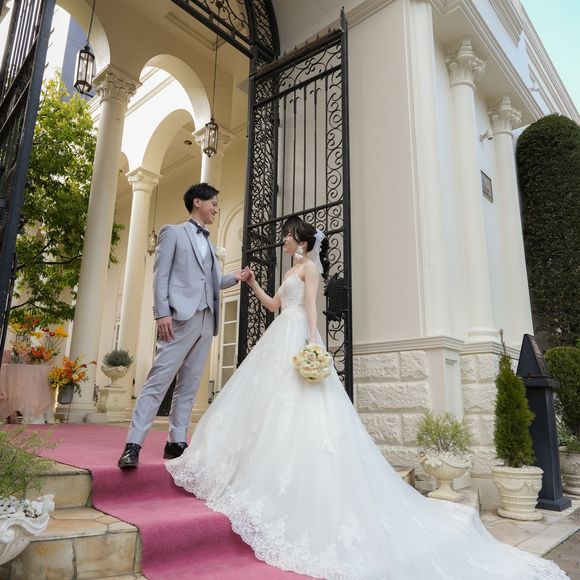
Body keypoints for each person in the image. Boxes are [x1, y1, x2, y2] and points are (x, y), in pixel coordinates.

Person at [166, 217, 567, 579]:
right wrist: (252, 284)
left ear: (300, 241)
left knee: (301, 411)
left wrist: (313, 348)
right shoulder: (289, 270)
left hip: (298, 338)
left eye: (287, 236)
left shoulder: (309, 270)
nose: (283, 240)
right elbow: (275, 306)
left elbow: (310, 310)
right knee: (268, 409)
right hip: (279, 337)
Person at [118, 183, 250, 469]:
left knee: (189, 384)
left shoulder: (211, 245)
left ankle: (176, 442)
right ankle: (133, 445)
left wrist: (235, 277)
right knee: (158, 380)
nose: (216, 209)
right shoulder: (173, 233)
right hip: (178, 318)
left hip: (206, 320)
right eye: (213, 203)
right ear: (197, 202)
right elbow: (160, 275)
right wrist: (161, 313)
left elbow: (210, 282)